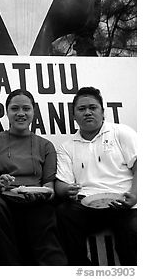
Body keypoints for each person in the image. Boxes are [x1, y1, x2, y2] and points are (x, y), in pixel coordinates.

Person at [0, 89, 67, 265]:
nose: (21, 114)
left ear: (34, 111)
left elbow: (50, 187)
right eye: (15, 108)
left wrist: (42, 194)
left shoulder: (45, 146)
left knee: (45, 216)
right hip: (1, 198)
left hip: (35, 201)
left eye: (26, 108)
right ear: (6, 111)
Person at [55, 86, 137, 265]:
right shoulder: (66, 147)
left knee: (133, 233)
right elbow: (61, 184)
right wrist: (66, 190)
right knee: (63, 213)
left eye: (93, 108)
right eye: (81, 109)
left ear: (102, 112)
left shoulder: (121, 132)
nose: (88, 113)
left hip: (123, 203)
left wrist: (135, 195)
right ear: (74, 115)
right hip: (88, 205)